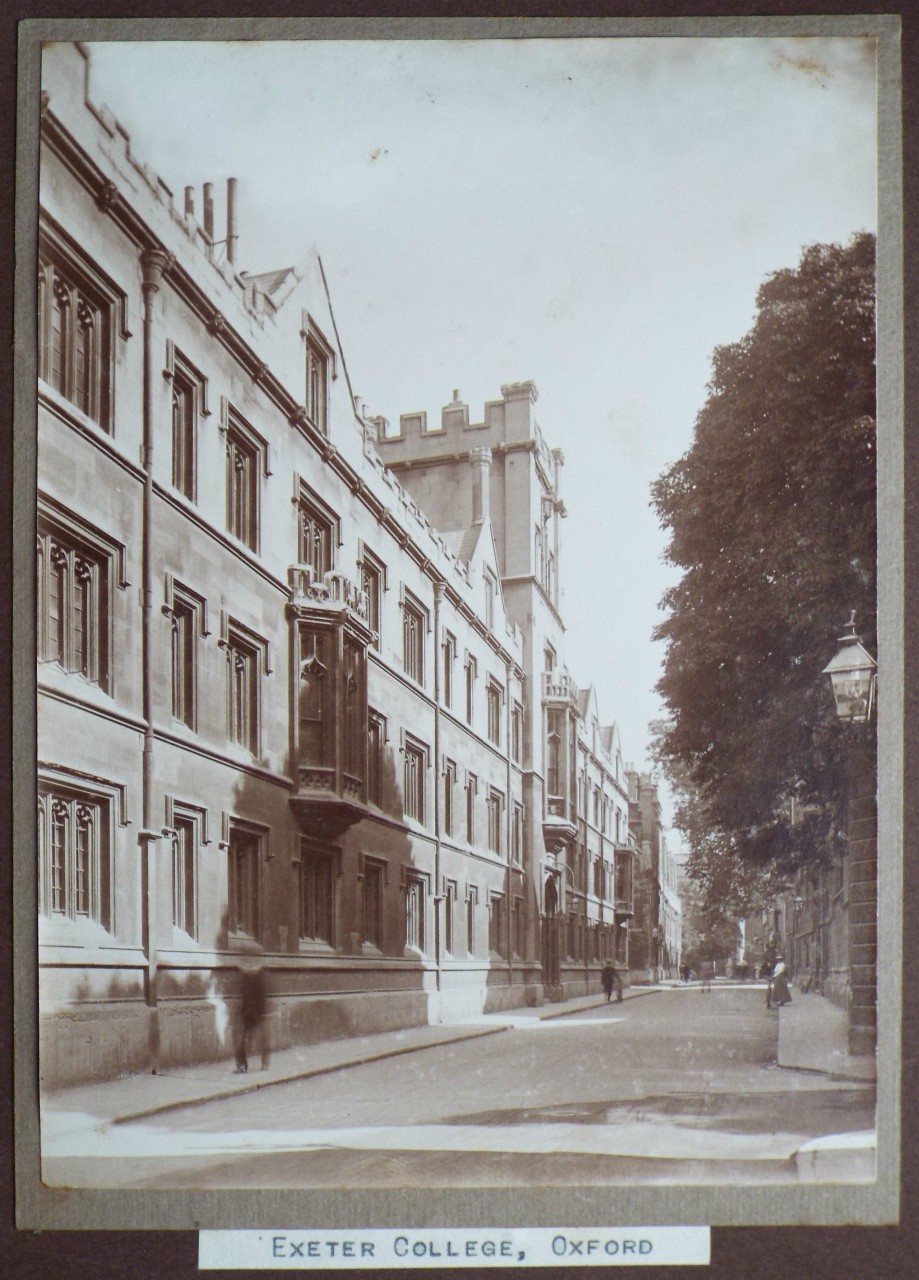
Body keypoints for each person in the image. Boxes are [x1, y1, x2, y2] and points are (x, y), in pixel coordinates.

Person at [234, 958, 271, 1073]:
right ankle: (243, 1066)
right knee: (241, 1040)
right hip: (248, 1013)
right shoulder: (245, 976)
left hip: (257, 1013)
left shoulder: (259, 976)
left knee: (262, 1039)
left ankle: (263, 1063)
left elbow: (263, 996)